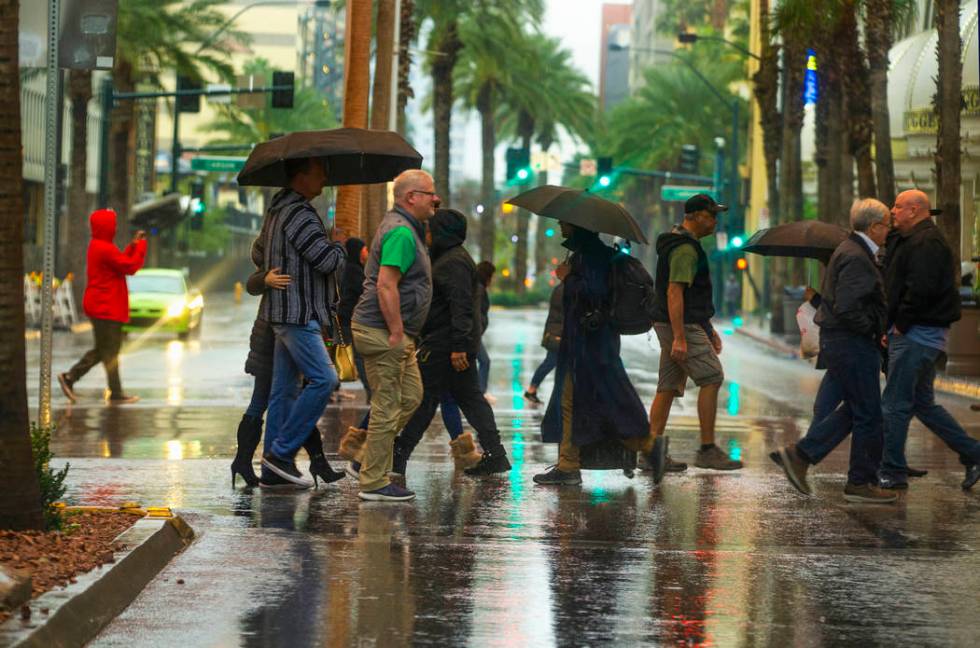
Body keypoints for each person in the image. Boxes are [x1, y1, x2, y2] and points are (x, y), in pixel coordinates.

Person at [771, 199, 896, 503]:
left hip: (844, 342)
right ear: (875, 225)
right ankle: (859, 482)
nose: (889, 231)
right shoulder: (856, 256)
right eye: (887, 226)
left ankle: (801, 455)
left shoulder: (852, 251)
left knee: (856, 409)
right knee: (869, 414)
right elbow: (848, 307)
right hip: (852, 343)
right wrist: (872, 329)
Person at [533, 222, 665, 486]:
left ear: (575, 224)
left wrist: (567, 278)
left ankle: (648, 445)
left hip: (591, 346)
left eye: (563, 222)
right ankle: (568, 464)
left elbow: (594, 294)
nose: (559, 225)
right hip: (584, 345)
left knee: (605, 402)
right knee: (572, 402)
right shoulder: (585, 252)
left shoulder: (591, 255)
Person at [392, 209, 512, 479]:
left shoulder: (453, 262)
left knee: (424, 399)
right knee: (469, 399)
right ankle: (496, 454)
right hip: (450, 343)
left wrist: (459, 345)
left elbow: (461, 307)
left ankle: (399, 456)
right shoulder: (450, 258)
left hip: (446, 346)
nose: (428, 234)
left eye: (432, 229)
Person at [878, 189, 980, 491]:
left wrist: (900, 325)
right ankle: (974, 453)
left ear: (914, 210)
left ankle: (893, 470)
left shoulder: (927, 243)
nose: (892, 211)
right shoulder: (912, 239)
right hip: (919, 335)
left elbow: (920, 289)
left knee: (895, 403)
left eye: (898, 207)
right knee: (922, 404)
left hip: (916, 335)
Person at [229, 228, 345, 489]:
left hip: (283, 337)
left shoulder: (294, 265)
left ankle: (300, 462)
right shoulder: (275, 267)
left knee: (286, 398)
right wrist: (265, 280)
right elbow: (251, 285)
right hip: (270, 340)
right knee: (264, 401)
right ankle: (247, 461)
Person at [258, 157, 346, 488]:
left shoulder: (277, 210)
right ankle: (281, 453)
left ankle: (272, 471)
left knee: (284, 390)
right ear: (301, 175)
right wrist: (339, 245)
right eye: (319, 170)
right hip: (298, 312)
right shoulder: (299, 213)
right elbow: (325, 261)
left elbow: (263, 252)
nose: (325, 175)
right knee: (324, 379)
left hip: (284, 311)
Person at [350, 169, 437, 502]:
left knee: (412, 396)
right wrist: (397, 331)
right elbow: (386, 284)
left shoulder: (408, 230)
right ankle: (373, 482)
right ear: (410, 197)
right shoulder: (401, 232)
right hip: (382, 331)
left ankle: (369, 458)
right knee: (386, 406)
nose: (436, 200)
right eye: (430, 194)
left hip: (394, 333)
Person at [648, 194, 743, 473]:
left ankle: (650, 452)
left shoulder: (683, 244)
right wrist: (679, 336)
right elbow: (674, 292)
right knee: (712, 376)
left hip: (680, 323)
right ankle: (707, 449)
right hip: (680, 325)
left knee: (668, 385)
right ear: (694, 216)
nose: (715, 221)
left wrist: (708, 329)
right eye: (711, 214)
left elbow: (690, 297)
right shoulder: (685, 249)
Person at [58, 209, 147, 404]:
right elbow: (130, 267)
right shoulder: (104, 248)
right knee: (109, 351)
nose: (115, 228)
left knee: (105, 350)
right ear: (106, 226)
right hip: (105, 306)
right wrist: (140, 247)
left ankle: (103, 387)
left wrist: (132, 246)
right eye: (112, 224)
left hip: (103, 305)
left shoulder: (100, 246)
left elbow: (121, 262)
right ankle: (73, 377)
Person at [524, 278, 565, 404]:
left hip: (555, 333)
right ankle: (532, 390)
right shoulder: (564, 290)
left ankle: (532, 390)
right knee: (551, 362)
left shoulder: (561, 288)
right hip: (557, 334)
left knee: (551, 362)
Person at [474, 261, 495, 396]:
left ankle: (479, 391)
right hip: (474, 334)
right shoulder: (479, 290)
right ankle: (479, 392)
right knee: (484, 361)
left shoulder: (478, 288)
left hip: (475, 333)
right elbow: (477, 312)